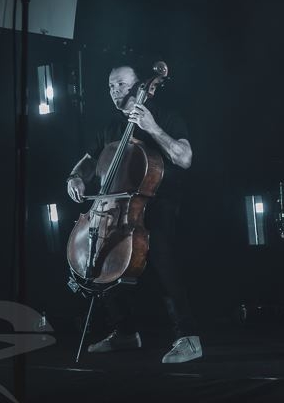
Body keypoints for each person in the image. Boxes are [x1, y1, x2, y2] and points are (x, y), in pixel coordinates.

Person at [66, 65, 203, 364]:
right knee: (101, 257)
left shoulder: (165, 117)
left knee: (161, 253)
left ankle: (189, 337)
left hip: (160, 203)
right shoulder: (110, 128)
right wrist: (75, 177)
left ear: (140, 86)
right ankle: (125, 332)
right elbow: (88, 162)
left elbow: (185, 158)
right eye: (110, 86)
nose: (114, 91)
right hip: (118, 207)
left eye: (120, 84)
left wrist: (152, 128)